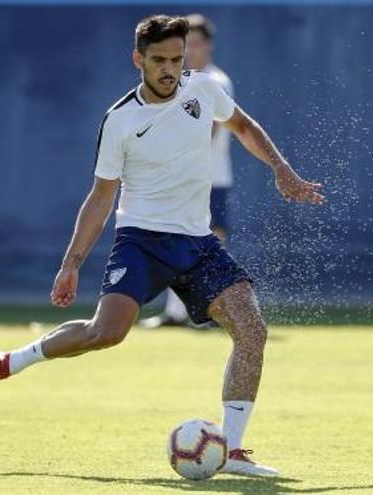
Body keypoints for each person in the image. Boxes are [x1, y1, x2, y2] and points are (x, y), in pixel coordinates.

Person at [0, 15, 324, 476]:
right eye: (160, 60)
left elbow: (243, 126)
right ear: (139, 60)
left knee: (252, 330)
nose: (171, 69)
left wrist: (281, 169)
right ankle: (12, 360)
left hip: (198, 242)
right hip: (141, 242)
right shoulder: (120, 121)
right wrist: (71, 263)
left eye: (177, 58)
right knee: (105, 334)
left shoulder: (204, 90)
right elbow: (100, 196)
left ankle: (230, 450)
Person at [141, 13, 236, 329]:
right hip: (180, 180)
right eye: (187, 44)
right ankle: (177, 313)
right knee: (177, 242)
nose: (191, 50)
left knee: (209, 245)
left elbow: (211, 129)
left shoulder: (216, 81)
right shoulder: (174, 82)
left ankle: (211, 313)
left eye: (196, 43)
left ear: (208, 46)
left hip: (211, 179)